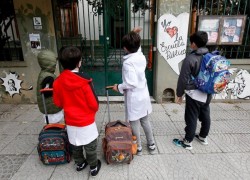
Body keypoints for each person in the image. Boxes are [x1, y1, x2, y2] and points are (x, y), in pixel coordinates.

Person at [53, 46, 101, 177]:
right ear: (79, 62)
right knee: (90, 145)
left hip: (70, 121)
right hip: (86, 121)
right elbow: (94, 104)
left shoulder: (57, 82)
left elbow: (57, 103)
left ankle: (80, 163)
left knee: (75, 144)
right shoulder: (84, 81)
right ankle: (93, 166)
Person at [111, 27, 156, 156]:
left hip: (135, 98)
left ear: (125, 48)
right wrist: (134, 33)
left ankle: (139, 147)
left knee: (134, 122)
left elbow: (131, 83)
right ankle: (151, 145)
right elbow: (137, 46)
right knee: (145, 121)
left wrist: (118, 87)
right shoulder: (140, 55)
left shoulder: (128, 63)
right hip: (144, 95)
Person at [173, 31, 212, 150]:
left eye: (191, 42)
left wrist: (179, 94)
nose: (190, 44)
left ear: (194, 44)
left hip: (194, 94)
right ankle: (203, 137)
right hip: (208, 92)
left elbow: (183, 79)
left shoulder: (190, 59)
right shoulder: (210, 56)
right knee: (205, 114)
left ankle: (187, 141)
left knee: (191, 117)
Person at [36, 50, 64, 123]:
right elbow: (48, 93)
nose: (56, 65)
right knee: (54, 123)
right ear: (51, 64)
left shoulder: (44, 73)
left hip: (48, 106)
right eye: (55, 63)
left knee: (52, 123)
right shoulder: (48, 77)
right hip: (51, 107)